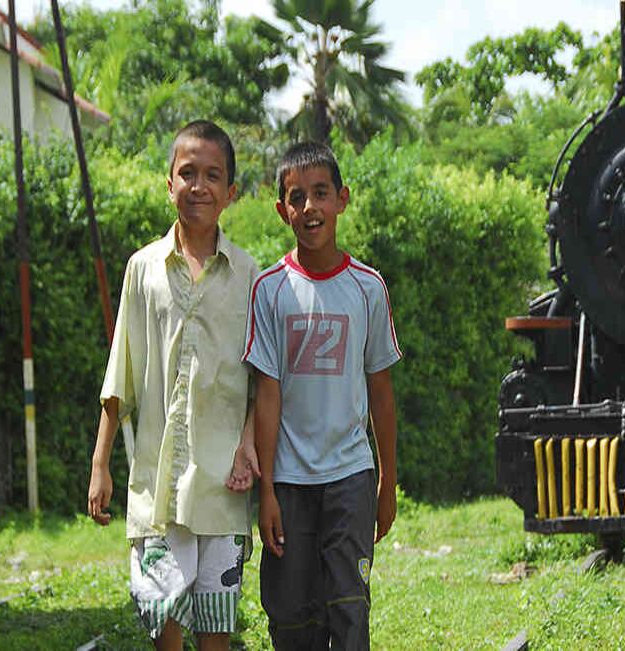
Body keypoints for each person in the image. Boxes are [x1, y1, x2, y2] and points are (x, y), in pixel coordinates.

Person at [86, 120, 261, 650]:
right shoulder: (143, 269)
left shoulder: (251, 275)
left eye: (213, 175)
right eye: (187, 173)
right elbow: (122, 373)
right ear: (169, 184)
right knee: (165, 627)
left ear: (231, 192)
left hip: (224, 486)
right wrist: (100, 465)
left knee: (216, 625)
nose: (198, 185)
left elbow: (261, 380)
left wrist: (248, 445)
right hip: (157, 486)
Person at [243, 141, 400, 650]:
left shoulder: (368, 287)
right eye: (297, 197)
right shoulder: (269, 289)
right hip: (288, 484)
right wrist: (266, 491)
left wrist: (387, 482)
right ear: (281, 209)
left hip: (351, 478)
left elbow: (380, 390)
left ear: (342, 199)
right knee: (290, 616)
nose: (310, 207)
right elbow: (267, 395)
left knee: (349, 608)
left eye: (321, 193)